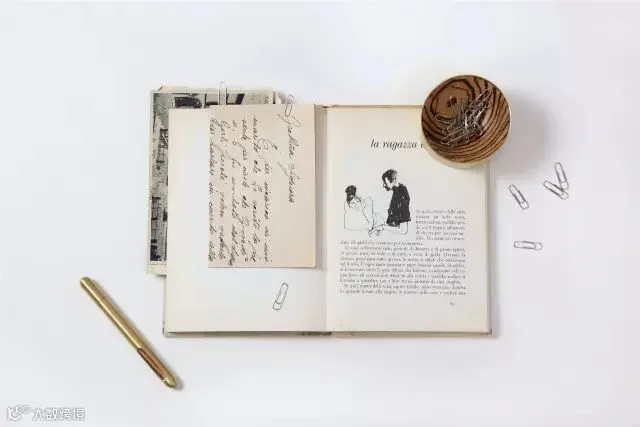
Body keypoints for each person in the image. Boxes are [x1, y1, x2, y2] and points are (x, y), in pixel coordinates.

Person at [373, 169, 410, 235]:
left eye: (385, 182)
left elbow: (403, 230)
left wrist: (382, 227)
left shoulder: (402, 195)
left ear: (393, 181)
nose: (384, 185)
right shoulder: (396, 191)